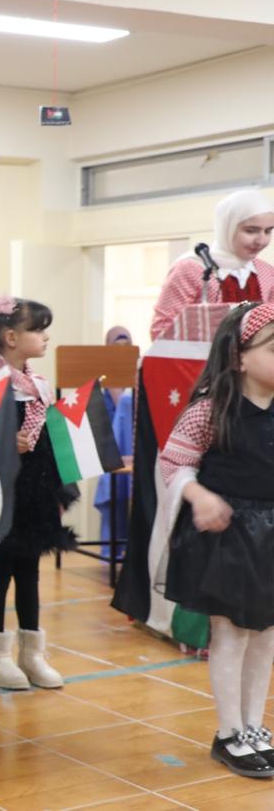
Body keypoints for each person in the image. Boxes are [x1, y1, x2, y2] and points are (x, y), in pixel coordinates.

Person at [160, 302, 274, 778]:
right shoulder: (211, 410)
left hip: (270, 537)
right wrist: (200, 496)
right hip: (231, 537)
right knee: (231, 632)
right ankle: (229, 733)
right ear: (238, 357)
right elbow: (174, 464)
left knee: (266, 633)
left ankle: (254, 726)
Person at [0, 296, 74, 691]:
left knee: (30, 570)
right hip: (3, 492)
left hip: (35, 490)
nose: (45, 337)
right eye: (38, 329)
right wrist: (5, 443)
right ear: (11, 337)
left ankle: (32, 654)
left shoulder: (38, 385)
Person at [151, 190, 274, 340]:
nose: (261, 241)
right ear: (227, 227)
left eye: (268, 231)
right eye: (250, 231)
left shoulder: (266, 272)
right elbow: (162, 330)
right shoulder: (192, 268)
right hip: (203, 355)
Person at [93, 326, 134, 559]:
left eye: (126, 346)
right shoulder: (105, 379)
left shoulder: (137, 375)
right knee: (116, 492)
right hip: (112, 447)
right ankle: (112, 550)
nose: (122, 351)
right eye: (116, 346)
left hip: (132, 446)